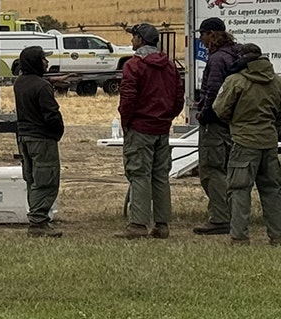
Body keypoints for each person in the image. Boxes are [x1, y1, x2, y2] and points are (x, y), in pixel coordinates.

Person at [115, 23, 185, 239]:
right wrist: (166, 118)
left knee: (139, 174)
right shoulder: (170, 66)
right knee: (160, 176)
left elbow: (128, 99)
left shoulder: (134, 65)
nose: (131, 41)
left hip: (140, 127)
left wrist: (126, 122)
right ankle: (162, 225)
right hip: (162, 128)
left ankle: (138, 224)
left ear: (141, 40)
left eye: (133, 37)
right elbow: (178, 99)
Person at [212, 43, 281, 245]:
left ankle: (239, 236)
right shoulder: (276, 81)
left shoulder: (236, 81)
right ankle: (277, 236)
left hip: (244, 142)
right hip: (269, 141)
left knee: (239, 189)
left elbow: (220, 109)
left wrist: (236, 121)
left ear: (242, 58)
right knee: (272, 189)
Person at [193, 17, 241, 235]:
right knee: (228, 170)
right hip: (234, 123)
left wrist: (204, 115)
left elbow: (213, 91)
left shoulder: (218, 59)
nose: (200, 39)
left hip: (216, 124)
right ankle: (233, 213)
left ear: (212, 34)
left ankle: (220, 218)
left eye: (202, 34)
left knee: (212, 171)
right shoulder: (236, 53)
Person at [13, 45, 64, 237]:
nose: (47, 62)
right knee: (46, 179)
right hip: (42, 139)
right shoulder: (43, 87)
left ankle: (36, 218)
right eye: (43, 59)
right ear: (36, 62)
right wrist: (58, 132)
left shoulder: (19, 83)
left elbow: (33, 84)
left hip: (24, 138)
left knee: (32, 179)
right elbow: (51, 115)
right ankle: (38, 221)